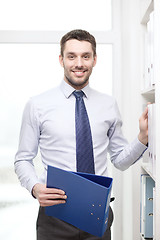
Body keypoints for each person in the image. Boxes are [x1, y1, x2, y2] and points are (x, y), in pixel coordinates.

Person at [14, 29, 148, 240]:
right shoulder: (37, 105)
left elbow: (120, 161)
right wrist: (35, 188)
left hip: (98, 214)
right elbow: (23, 159)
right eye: (72, 56)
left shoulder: (108, 104)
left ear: (94, 60)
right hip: (54, 216)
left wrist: (142, 138)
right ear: (61, 60)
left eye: (85, 56)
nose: (79, 63)